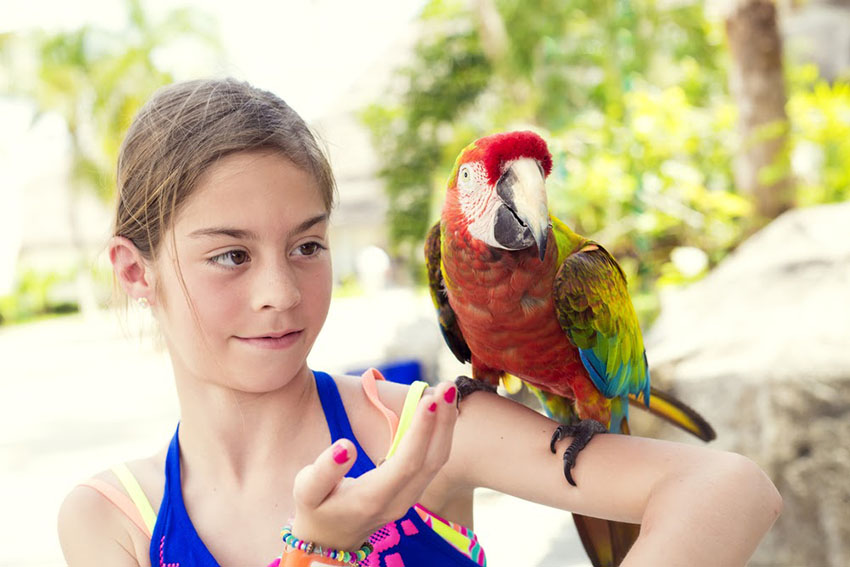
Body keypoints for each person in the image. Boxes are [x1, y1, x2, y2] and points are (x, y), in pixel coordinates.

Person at [57, 78, 781, 567]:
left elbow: (733, 486)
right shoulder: (113, 517)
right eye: (229, 255)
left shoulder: (425, 431)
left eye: (308, 245)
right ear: (133, 271)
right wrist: (318, 548)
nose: (281, 291)